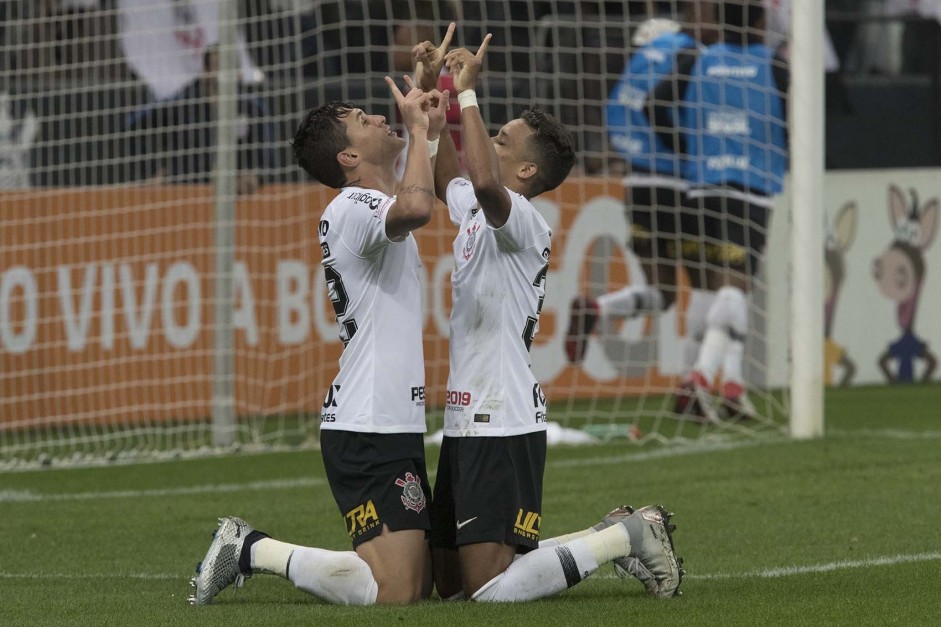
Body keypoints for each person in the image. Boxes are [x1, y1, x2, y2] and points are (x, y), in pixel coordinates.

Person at [412, 29, 683, 602]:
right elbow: (450, 182)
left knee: (486, 589)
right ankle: (608, 536)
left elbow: (482, 179)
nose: (489, 140)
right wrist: (434, 96)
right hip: (466, 415)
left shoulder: (525, 224)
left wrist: (467, 97)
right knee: (448, 586)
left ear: (527, 173)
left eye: (502, 140)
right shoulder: (482, 214)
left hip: (503, 417)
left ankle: (627, 535)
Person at [189, 76, 452, 606]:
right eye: (363, 119)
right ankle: (249, 549)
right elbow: (420, 207)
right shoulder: (352, 207)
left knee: (421, 586)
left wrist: (428, 129)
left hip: (388, 419)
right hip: (367, 423)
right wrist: (419, 131)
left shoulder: (371, 204)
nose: (380, 117)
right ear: (350, 155)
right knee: (397, 593)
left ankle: (250, 549)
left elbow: (414, 196)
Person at [649, 0, 788, 421]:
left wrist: (690, 150)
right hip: (754, 187)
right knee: (735, 285)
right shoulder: (777, 68)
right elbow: (798, 122)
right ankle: (701, 377)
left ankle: (733, 387)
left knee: (727, 287)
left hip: (705, 187)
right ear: (761, 22)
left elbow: (655, 106)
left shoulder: (698, 60)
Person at [564, 0, 721, 366]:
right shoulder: (689, 57)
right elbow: (664, 108)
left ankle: (597, 308)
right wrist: (686, 150)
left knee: (662, 292)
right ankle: (691, 383)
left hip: (638, 184)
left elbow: (621, 115)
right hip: (679, 183)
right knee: (704, 285)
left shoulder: (638, 68)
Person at [128, 45, 275, 195]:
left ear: (238, 73)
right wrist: (153, 172)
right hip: (186, 192)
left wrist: (255, 175)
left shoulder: (252, 109)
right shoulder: (183, 104)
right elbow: (135, 125)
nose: (221, 75)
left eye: (228, 68)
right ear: (205, 71)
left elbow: (267, 155)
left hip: (234, 194)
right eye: (216, 67)